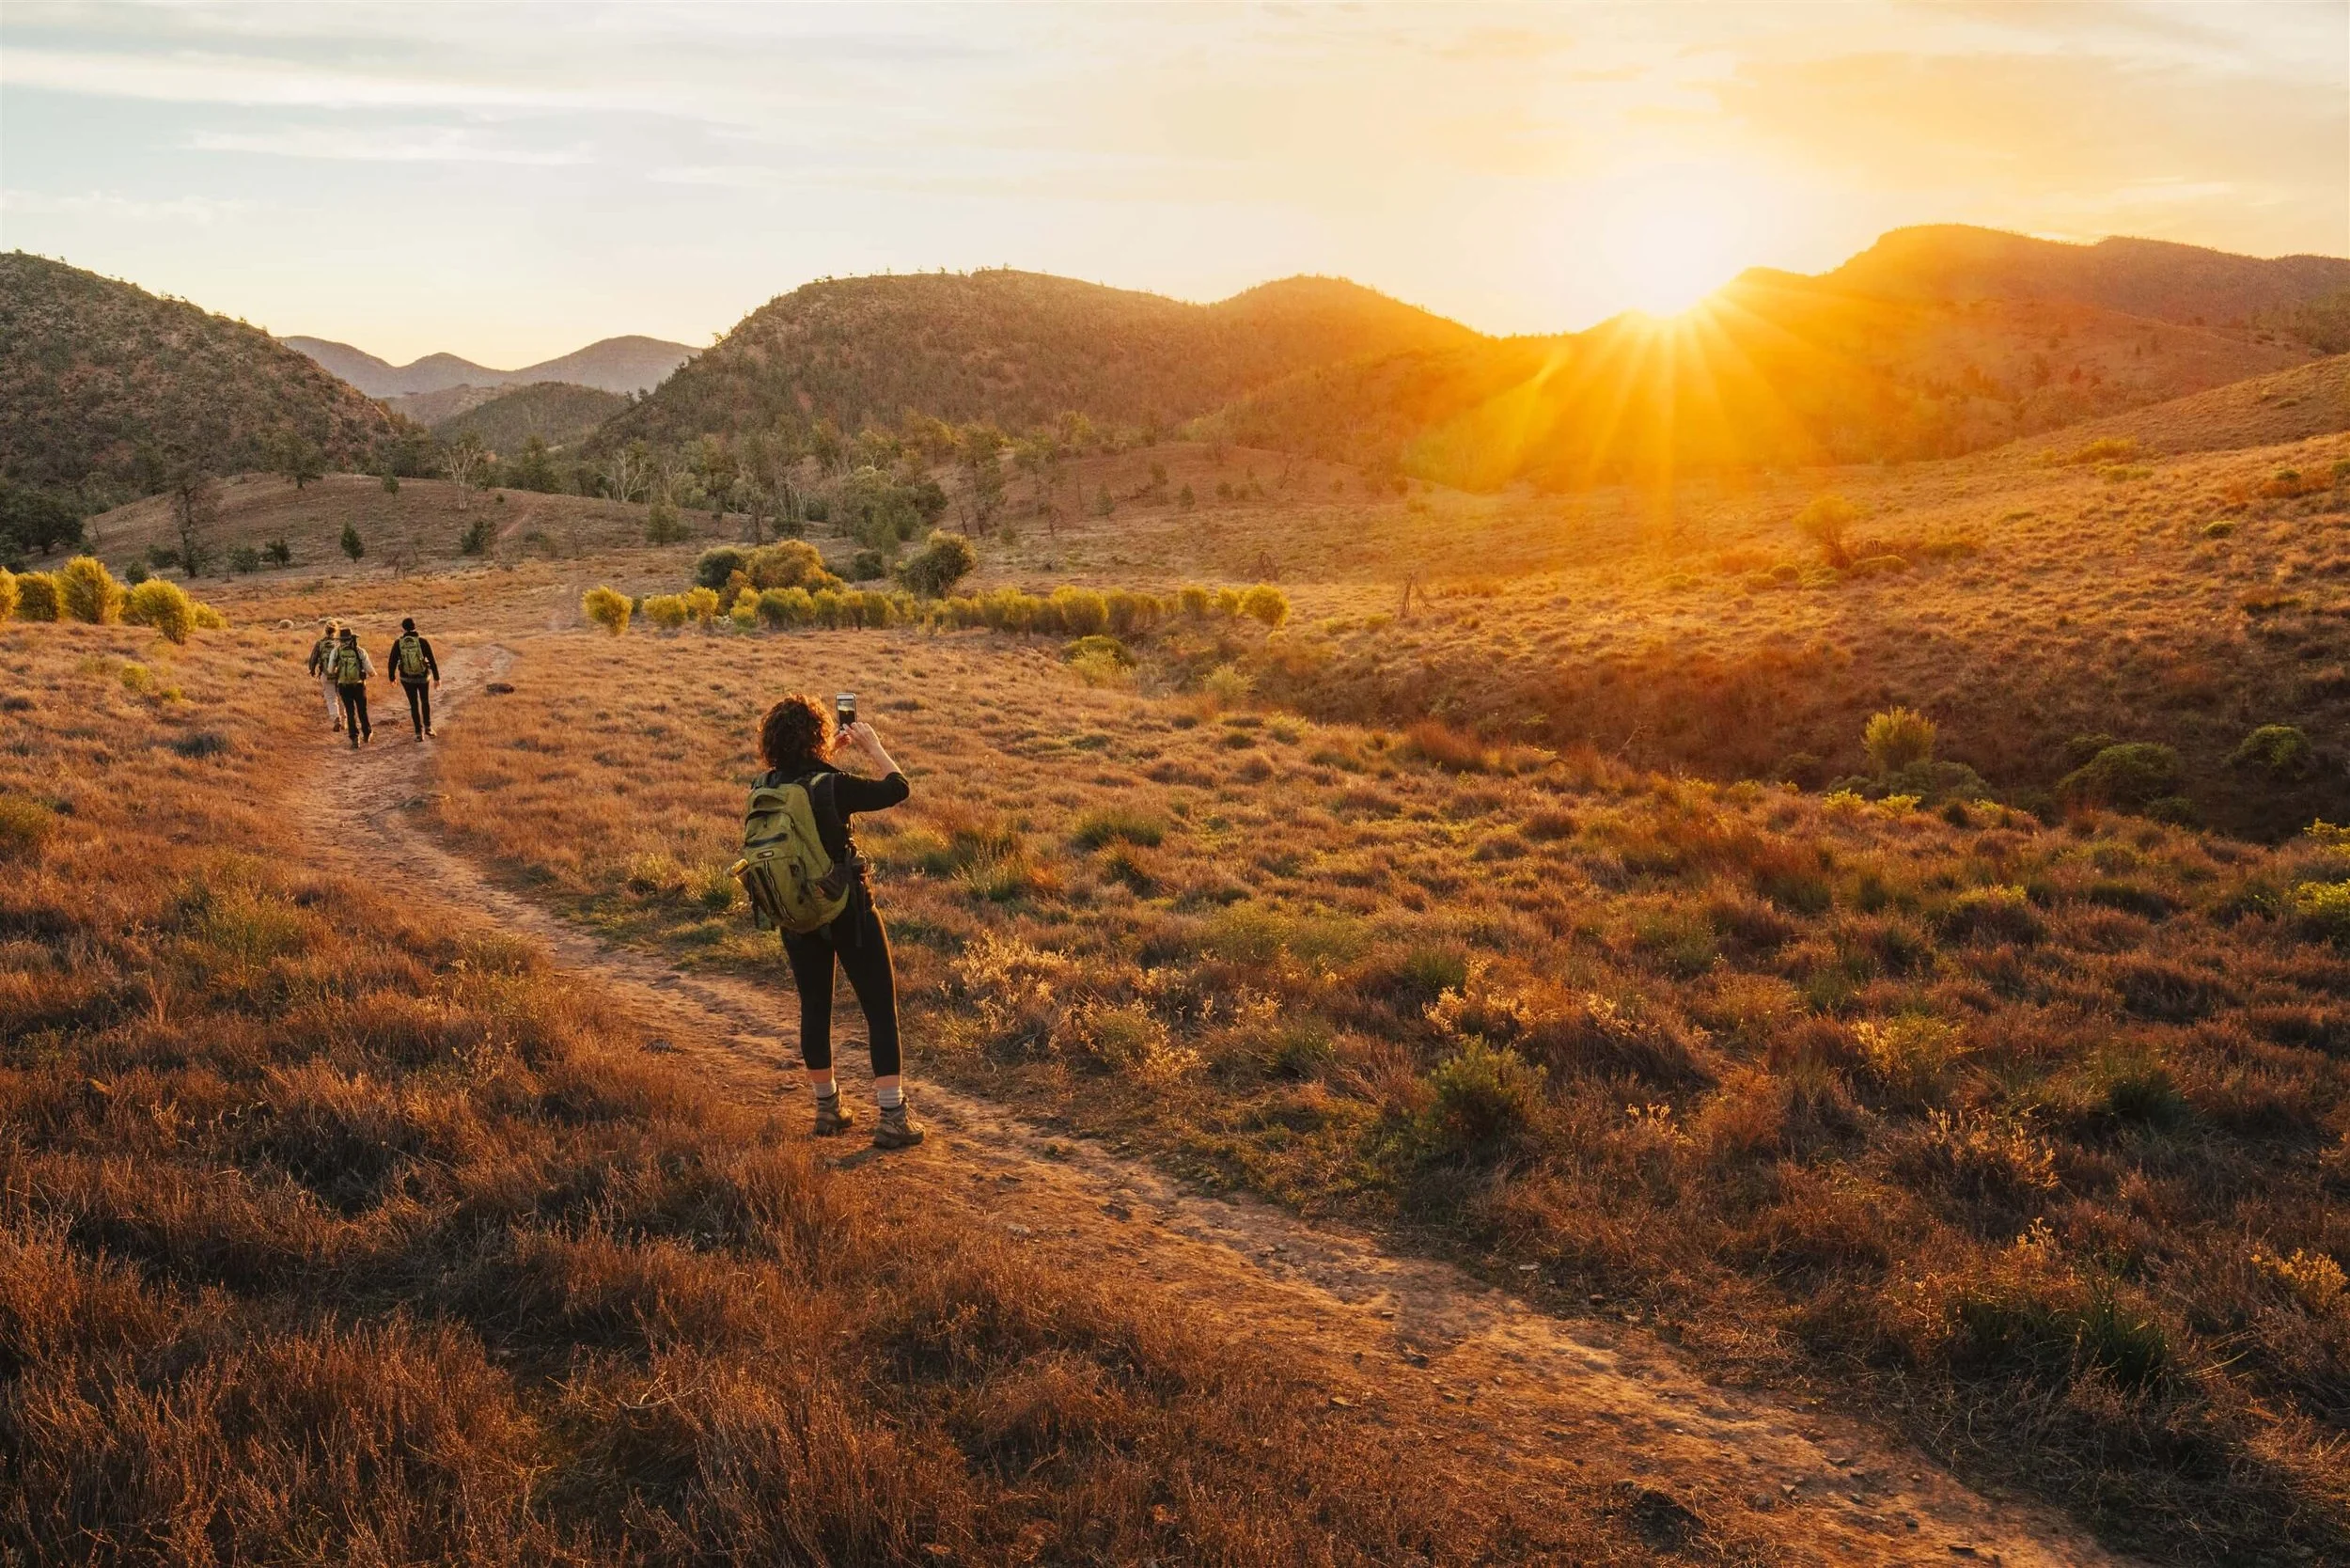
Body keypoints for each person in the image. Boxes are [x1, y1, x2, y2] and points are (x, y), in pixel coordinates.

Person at [754, 694, 922, 1148]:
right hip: (848, 909)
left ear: (772, 741)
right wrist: (872, 745)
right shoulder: (833, 785)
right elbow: (896, 788)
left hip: (797, 913)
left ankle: (827, 1109)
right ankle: (891, 1116)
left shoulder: (765, 784)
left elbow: (807, 788)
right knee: (879, 1009)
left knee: (815, 1008)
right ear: (818, 737)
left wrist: (826, 758)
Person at [384, 617, 442, 741]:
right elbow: (432, 660)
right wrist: (437, 678)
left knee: (413, 704)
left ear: (403, 628)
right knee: (425, 701)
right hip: (423, 677)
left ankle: (418, 733)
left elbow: (392, 662)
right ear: (415, 627)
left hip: (406, 678)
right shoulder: (422, 642)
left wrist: (392, 677)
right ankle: (428, 727)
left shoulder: (398, 643)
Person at [330, 626, 374, 747]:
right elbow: (370, 671)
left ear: (341, 640)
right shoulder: (360, 651)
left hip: (343, 686)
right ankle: (366, 733)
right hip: (359, 685)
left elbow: (330, 669)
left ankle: (354, 738)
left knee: (350, 711)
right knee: (362, 710)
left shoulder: (336, 651)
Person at [306, 620, 344, 728]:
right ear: (336, 631)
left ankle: (336, 718)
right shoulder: (339, 643)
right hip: (340, 674)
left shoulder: (320, 643)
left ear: (325, 631)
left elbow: (313, 658)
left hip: (326, 674)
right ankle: (345, 722)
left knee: (331, 698)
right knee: (341, 697)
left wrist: (312, 670)